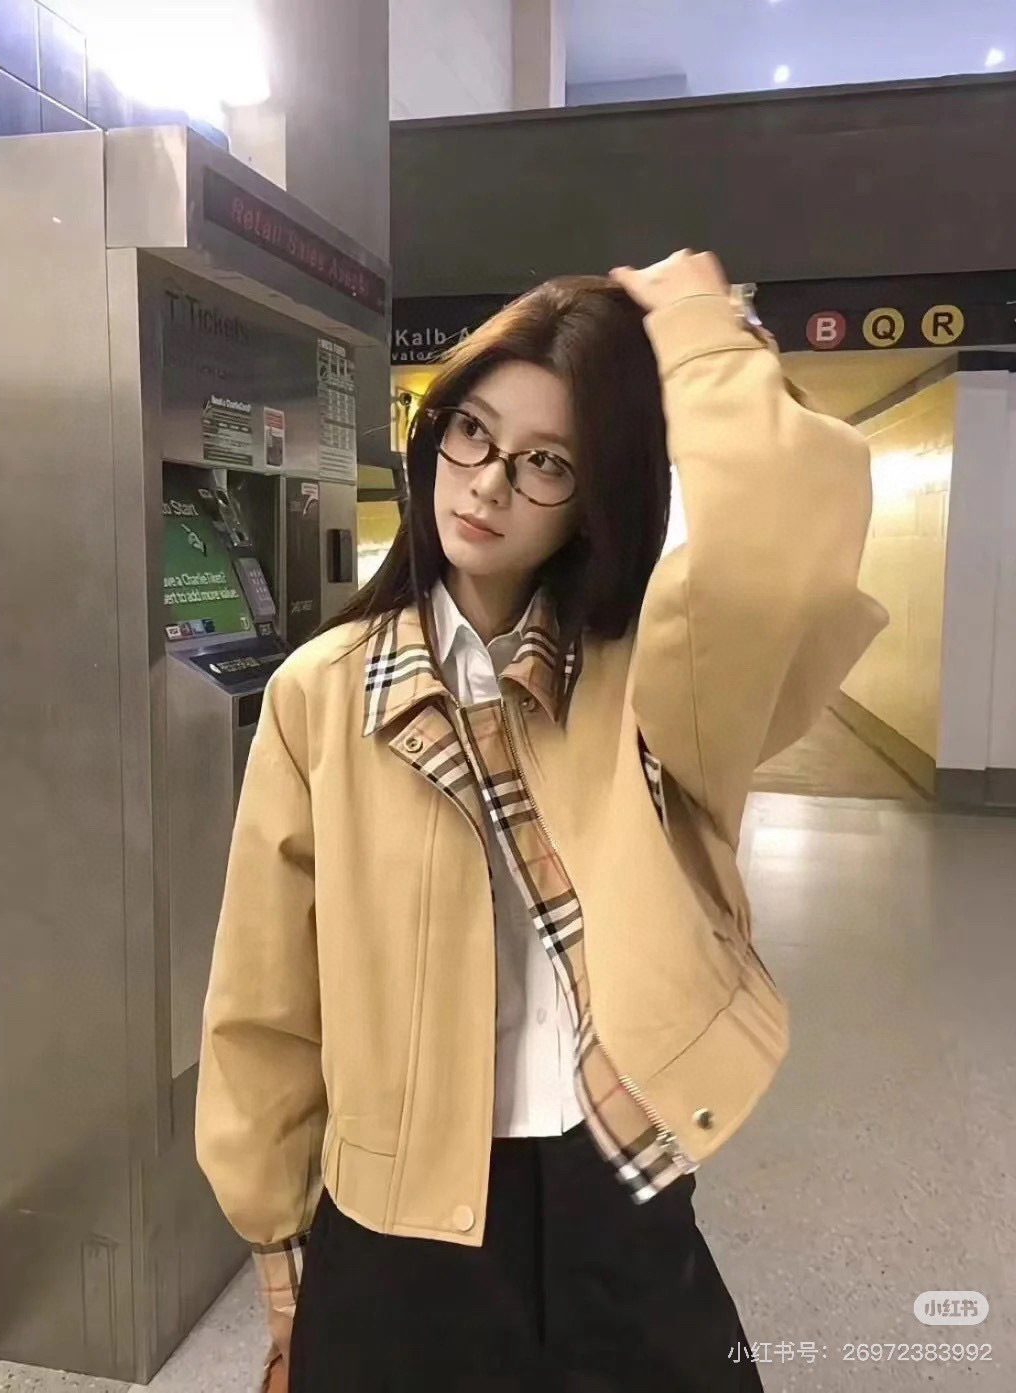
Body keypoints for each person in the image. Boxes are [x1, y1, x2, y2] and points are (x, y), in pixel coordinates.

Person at [196, 251, 887, 1392]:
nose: (487, 485)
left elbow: (788, 566)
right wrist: (279, 1260)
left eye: (546, 462)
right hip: (395, 1215)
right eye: (471, 432)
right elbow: (264, 1001)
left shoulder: (654, 680)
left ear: (595, 497)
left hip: (613, 1180)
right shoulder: (323, 692)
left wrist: (700, 334)